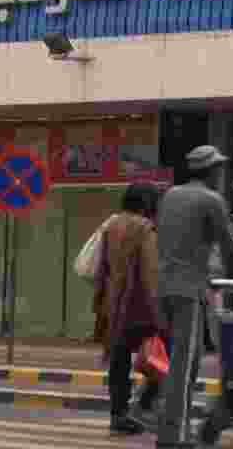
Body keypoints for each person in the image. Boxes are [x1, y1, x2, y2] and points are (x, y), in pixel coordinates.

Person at [154, 145, 233, 448]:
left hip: (164, 288)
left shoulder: (170, 195)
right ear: (213, 171)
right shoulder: (210, 199)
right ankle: (174, 436)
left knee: (182, 363)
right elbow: (231, 241)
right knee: (185, 365)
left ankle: (170, 430)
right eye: (219, 169)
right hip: (188, 290)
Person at [92, 182, 165, 435]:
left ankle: (118, 415)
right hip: (138, 304)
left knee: (119, 362)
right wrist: (158, 310)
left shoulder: (112, 225)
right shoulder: (145, 228)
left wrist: (101, 302)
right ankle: (144, 405)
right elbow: (150, 271)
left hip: (114, 303)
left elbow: (101, 266)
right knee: (166, 354)